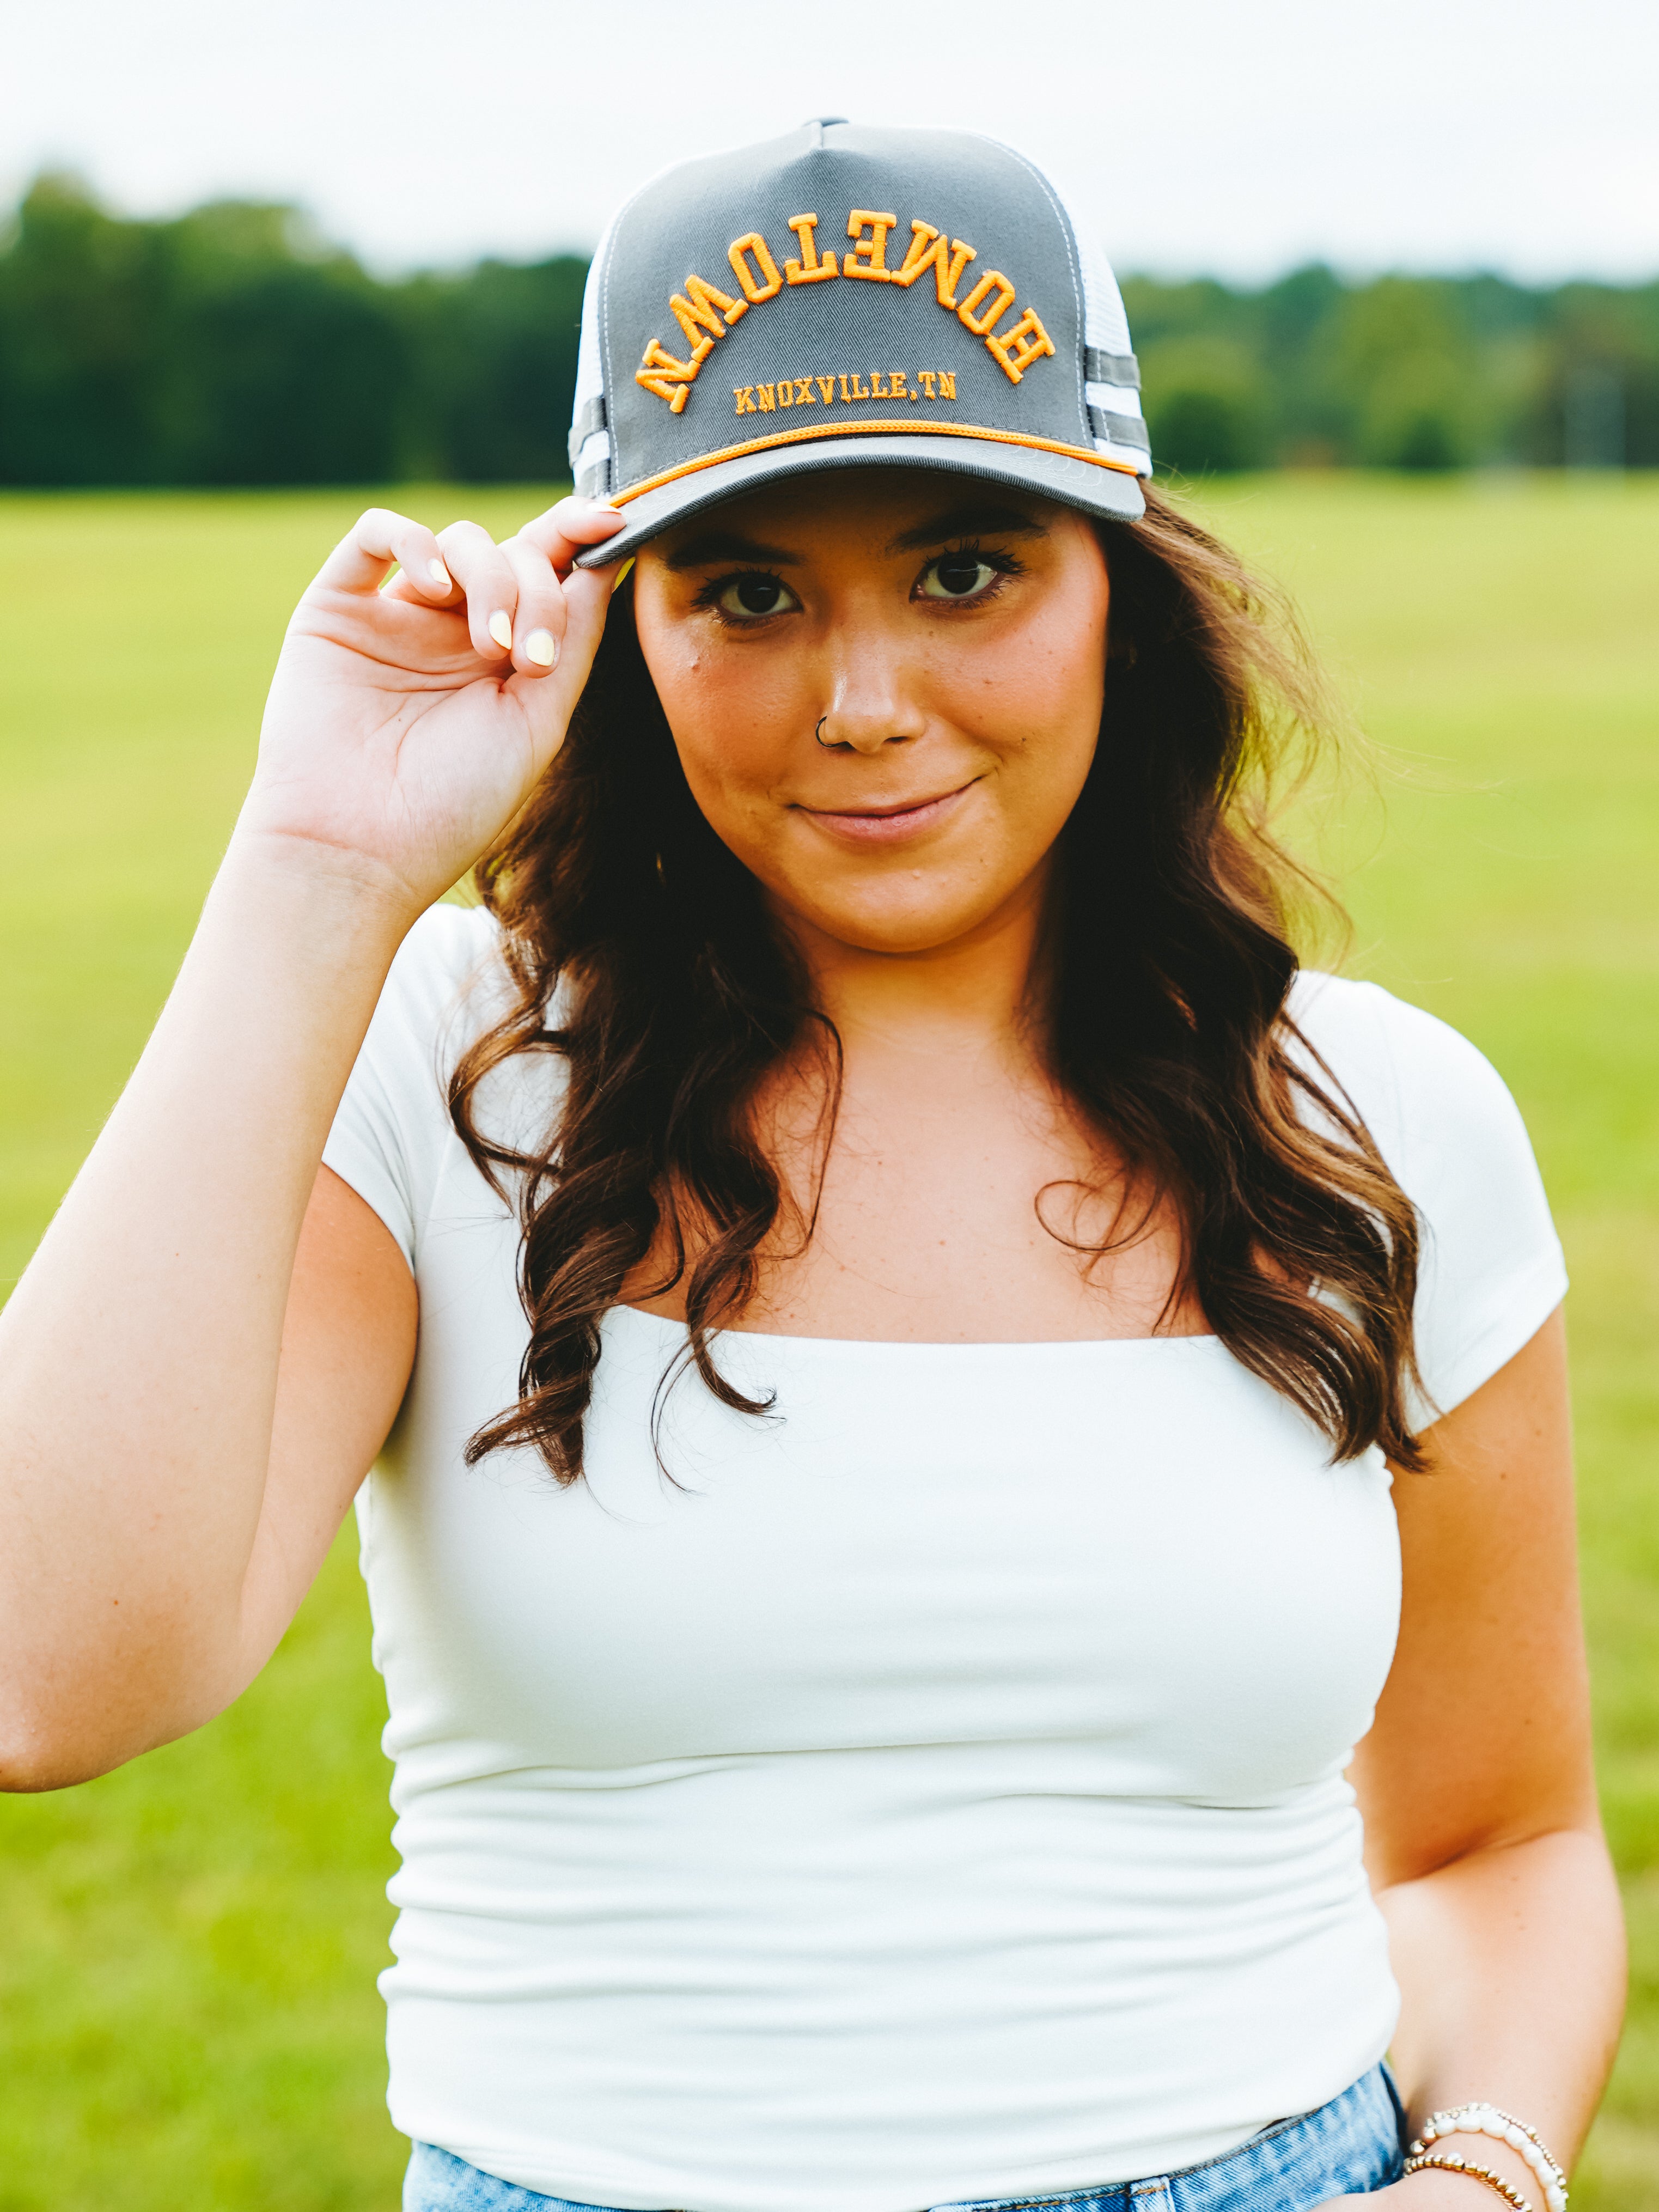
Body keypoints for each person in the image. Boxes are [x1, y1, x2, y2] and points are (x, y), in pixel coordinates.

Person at [0, 119, 1624, 2212]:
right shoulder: (455, 1068)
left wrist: (1478, 2179)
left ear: (1120, 582)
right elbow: (48, 1668)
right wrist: (318, 865)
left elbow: (1503, 1842)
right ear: (617, 620)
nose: (865, 704)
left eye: (965, 570)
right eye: (748, 592)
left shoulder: (1380, 1122)